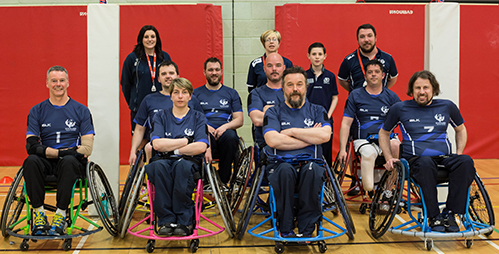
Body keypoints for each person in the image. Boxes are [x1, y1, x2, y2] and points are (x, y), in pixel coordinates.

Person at [379, 70, 475, 233]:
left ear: (433, 89)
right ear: (411, 90)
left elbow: (461, 129)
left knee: (465, 161)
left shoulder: (447, 106)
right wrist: (388, 157)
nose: (421, 92)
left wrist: (459, 152)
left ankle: (450, 213)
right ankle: (434, 216)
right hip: (416, 160)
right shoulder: (400, 108)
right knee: (425, 162)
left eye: (425, 87)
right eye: (417, 88)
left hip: (444, 158)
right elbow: (384, 132)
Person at [24, 66, 95, 236]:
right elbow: (31, 146)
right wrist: (63, 152)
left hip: (70, 164)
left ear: (68, 83)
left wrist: (54, 153)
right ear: (47, 83)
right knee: (31, 161)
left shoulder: (81, 110)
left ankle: (60, 215)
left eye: (62, 80)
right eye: (54, 80)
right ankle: (39, 214)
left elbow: (87, 148)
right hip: (48, 162)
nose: (58, 84)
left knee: (69, 161)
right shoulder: (37, 110)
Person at [263, 66, 331, 237]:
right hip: (281, 164)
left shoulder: (318, 110)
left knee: (313, 171)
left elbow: (324, 135)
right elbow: (273, 140)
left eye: (299, 84)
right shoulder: (273, 112)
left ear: (305, 87)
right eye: (290, 85)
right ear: (283, 88)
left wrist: (292, 132)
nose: (295, 89)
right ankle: (285, 228)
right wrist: (309, 136)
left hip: (311, 163)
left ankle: (306, 230)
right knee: (285, 171)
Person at [146, 77, 209, 236]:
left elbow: (201, 146)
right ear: (171, 95)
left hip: (188, 161)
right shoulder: (160, 116)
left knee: (182, 167)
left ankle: (184, 221)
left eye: (184, 92)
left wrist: (175, 150)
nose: (180, 96)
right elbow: (157, 145)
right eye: (176, 92)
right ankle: (166, 220)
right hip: (162, 160)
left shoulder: (198, 117)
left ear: (190, 96)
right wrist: (185, 141)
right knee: (157, 167)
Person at [338, 60, 400, 194]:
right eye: (370, 72)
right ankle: (369, 189)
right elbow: (346, 123)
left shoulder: (392, 97)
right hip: (364, 140)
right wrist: (342, 149)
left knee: (395, 145)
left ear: (383, 75)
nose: (373, 75)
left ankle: (387, 192)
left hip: (387, 139)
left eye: (377, 72)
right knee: (368, 153)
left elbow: (404, 121)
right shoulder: (355, 95)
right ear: (365, 76)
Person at [129, 60, 203, 165]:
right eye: (164, 74)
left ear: (178, 76)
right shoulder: (149, 100)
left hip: (185, 143)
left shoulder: (191, 99)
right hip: (158, 145)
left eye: (171, 73)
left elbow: (202, 125)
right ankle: (151, 178)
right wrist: (133, 151)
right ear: (158, 79)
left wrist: (207, 149)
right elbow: (140, 129)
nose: (168, 76)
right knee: (149, 147)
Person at [193, 57, 243, 184]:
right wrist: (205, 127)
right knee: (200, 138)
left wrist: (225, 127)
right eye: (210, 70)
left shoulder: (231, 93)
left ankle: (223, 180)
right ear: (204, 72)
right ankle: (204, 180)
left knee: (231, 136)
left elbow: (239, 120)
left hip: (225, 135)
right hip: (205, 133)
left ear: (221, 71)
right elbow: (191, 118)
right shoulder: (195, 94)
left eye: (216, 70)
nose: (214, 73)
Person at [121, 25, 171, 133]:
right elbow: (126, 84)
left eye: (152, 36)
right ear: (141, 39)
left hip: (162, 107)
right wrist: (134, 101)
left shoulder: (164, 57)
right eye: (146, 37)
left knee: (161, 138)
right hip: (139, 108)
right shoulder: (132, 58)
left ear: (157, 39)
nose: (150, 40)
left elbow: (172, 80)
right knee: (140, 142)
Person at [338, 23, 398, 92]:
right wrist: (354, 92)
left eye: (369, 36)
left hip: (380, 101)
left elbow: (393, 79)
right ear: (357, 39)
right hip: (357, 102)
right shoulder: (348, 60)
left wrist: (381, 91)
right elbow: (342, 80)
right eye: (362, 36)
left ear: (375, 38)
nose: (366, 40)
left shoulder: (388, 58)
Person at [306, 42, 339, 166]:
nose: (317, 57)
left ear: (325, 56)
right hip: (309, 119)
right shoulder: (304, 75)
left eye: (320, 54)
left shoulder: (330, 76)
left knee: (326, 149)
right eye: (314, 54)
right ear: (308, 56)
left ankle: (327, 176)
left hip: (325, 119)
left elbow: (335, 97)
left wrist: (328, 115)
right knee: (309, 148)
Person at [248, 53, 285, 148]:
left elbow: (303, 117)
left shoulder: (293, 92)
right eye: (269, 66)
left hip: (292, 143)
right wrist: (289, 115)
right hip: (267, 146)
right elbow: (257, 120)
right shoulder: (256, 93)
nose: (274, 69)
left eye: (278, 65)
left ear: (284, 68)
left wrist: (269, 111)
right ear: (264, 69)